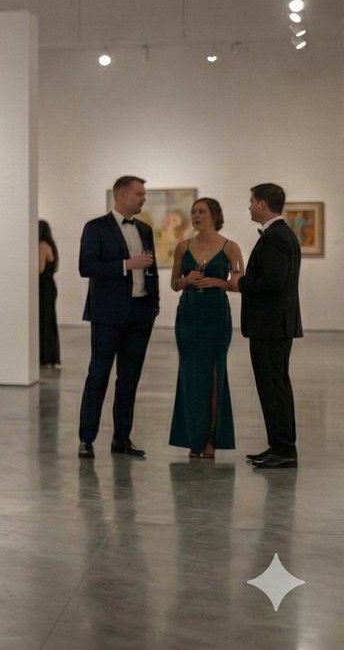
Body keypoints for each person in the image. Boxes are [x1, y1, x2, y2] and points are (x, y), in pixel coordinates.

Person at [76, 176, 160, 459]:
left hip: (139, 314)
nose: (143, 198)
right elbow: (86, 267)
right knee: (98, 375)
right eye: (139, 194)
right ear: (122, 195)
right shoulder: (96, 228)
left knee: (129, 379)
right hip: (107, 315)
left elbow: (153, 269)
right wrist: (126, 265)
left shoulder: (145, 230)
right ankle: (86, 439)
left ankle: (121, 438)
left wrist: (154, 306)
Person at [166, 198, 243, 459]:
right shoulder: (182, 247)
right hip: (188, 318)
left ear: (214, 215)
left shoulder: (230, 247)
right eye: (194, 212)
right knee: (190, 376)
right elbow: (174, 284)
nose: (196, 216)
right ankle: (193, 438)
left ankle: (211, 438)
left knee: (213, 375)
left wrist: (217, 282)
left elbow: (238, 283)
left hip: (216, 318)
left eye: (202, 212)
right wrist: (186, 280)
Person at [236, 183, 302, 469]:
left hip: (270, 326)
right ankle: (279, 446)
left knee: (273, 387)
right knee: (274, 386)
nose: (249, 206)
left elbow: (273, 282)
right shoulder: (281, 234)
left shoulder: (275, 237)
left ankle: (284, 450)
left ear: (263, 204)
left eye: (252, 201)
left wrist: (239, 283)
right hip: (274, 325)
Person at [38, 220, 60, 369]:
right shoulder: (50, 245)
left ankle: (45, 357)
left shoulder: (41, 246)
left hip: (43, 288)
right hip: (49, 286)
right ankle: (49, 357)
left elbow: (39, 269)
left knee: (44, 322)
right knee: (49, 321)